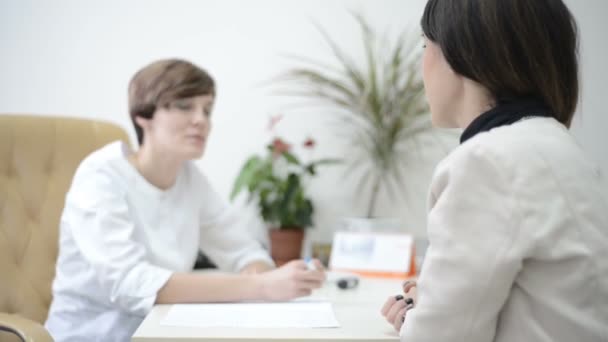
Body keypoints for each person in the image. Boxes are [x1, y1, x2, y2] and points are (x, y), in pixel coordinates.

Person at [44, 59, 326, 342]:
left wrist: (271, 278)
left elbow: (242, 250)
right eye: (184, 106)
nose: (201, 120)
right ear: (144, 114)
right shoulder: (101, 176)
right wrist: (260, 286)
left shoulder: (190, 178)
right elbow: (131, 284)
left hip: (164, 332)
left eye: (207, 109)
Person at [381, 0, 608, 341]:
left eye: (425, 45)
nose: (421, 65)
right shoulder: (562, 150)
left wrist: (412, 317)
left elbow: (441, 336)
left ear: (463, 53)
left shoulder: (486, 163)